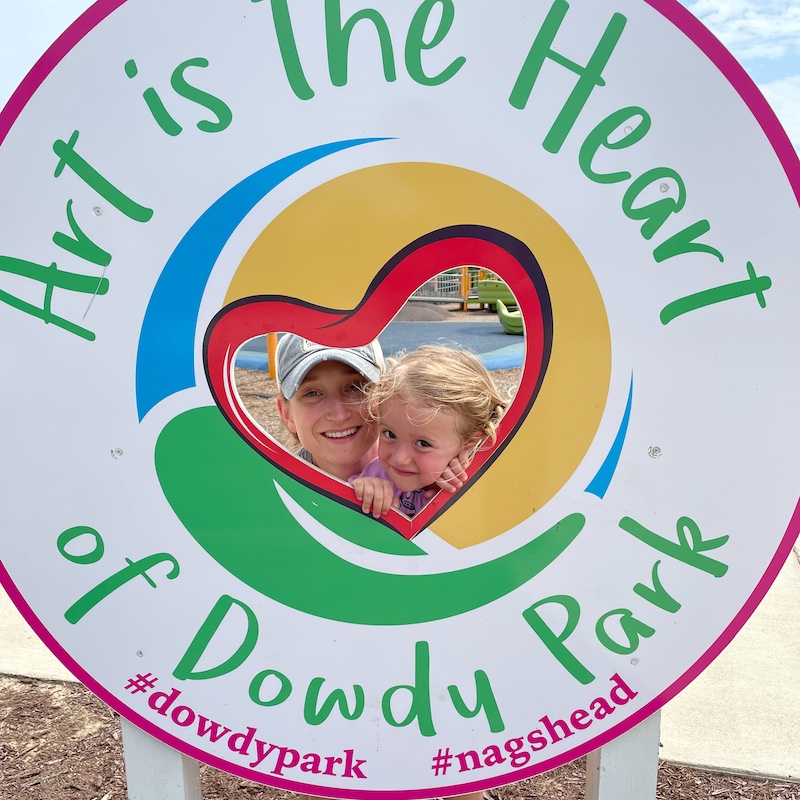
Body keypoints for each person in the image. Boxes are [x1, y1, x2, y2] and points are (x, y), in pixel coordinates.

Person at [350, 345, 505, 519]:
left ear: (469, 443)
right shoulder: (377, 474)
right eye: (390, 434)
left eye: (423, 443)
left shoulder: (482, 487)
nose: (400, 458)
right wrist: (364, 491)